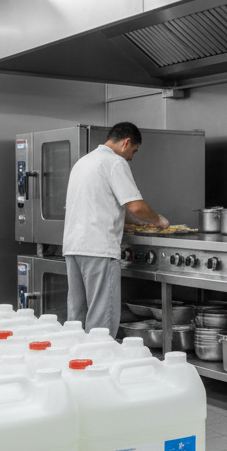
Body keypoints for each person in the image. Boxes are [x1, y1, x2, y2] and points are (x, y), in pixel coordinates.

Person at [63, 122, 168, 336]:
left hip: (74, 248)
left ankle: (77, 363)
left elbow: (105, 202)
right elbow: (136, 204)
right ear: (126, 143)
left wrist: (136, 222)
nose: (131, 157)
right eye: (133, 151)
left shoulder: (83, 162)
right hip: (98, 249)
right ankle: (99, 364)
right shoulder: (114, 162)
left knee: (77, 319)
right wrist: (158, 220)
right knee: (102, 321)